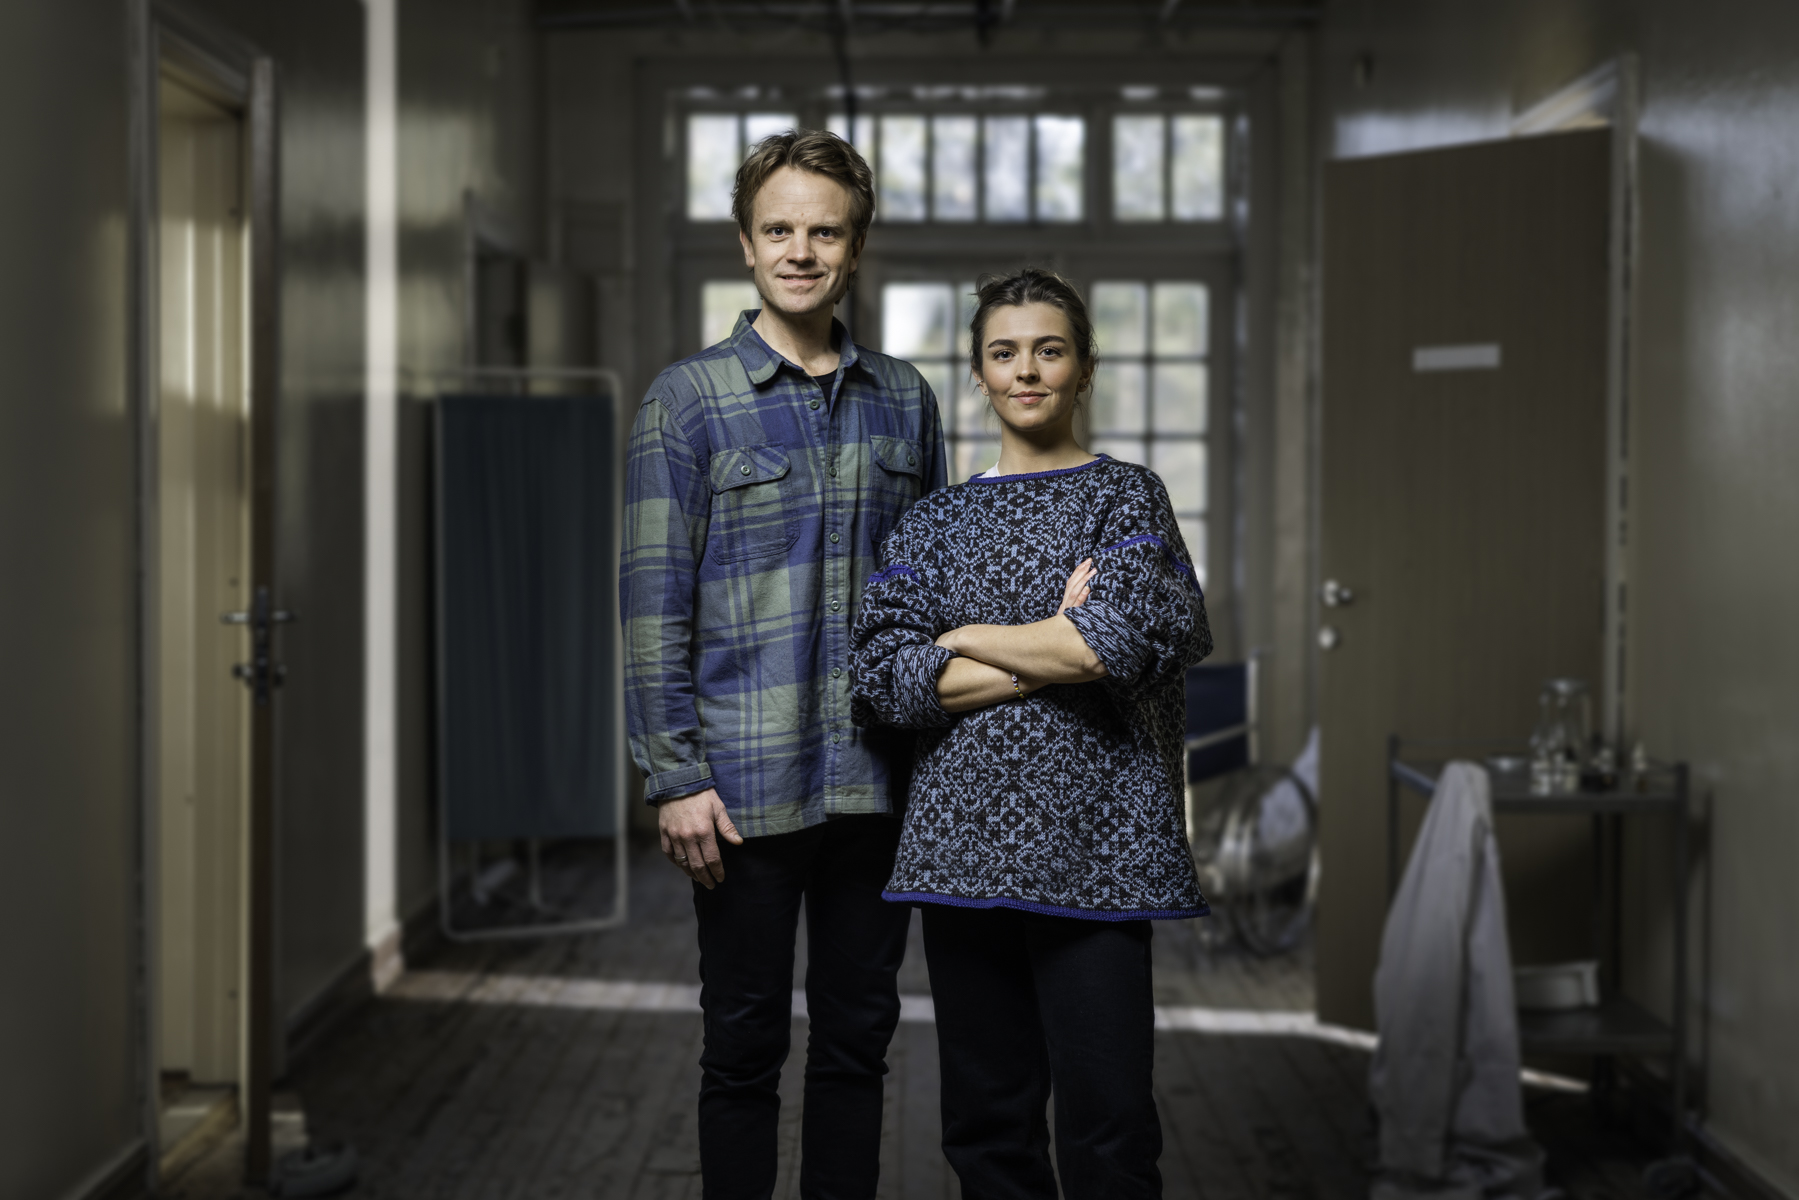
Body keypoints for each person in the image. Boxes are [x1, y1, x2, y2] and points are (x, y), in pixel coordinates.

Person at [620, 128, 947, 1200]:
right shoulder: (685, 401)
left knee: (857, 1046)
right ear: (745, 243)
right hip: (740, 793)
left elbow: (930, 595)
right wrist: (673, 775)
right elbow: (652, 604)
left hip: (876, 784)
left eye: (824, 232)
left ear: (855, 247)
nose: (799, 252)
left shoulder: (905, 399)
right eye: (778, 230)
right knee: (743, 1048)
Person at [848, 268, 1212, 1199]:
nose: (1026, 371)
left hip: (1101, 853)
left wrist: (960, 637)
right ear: (978, 374)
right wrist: (1047, 641)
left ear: (1083, 368)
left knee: (1109, 1130)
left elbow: (1113, 642)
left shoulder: (1126, 497)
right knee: (987, 1131)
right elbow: (885, 678)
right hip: (960, 855)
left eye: (1049, 350)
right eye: (1003, 353)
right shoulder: (933, 521)